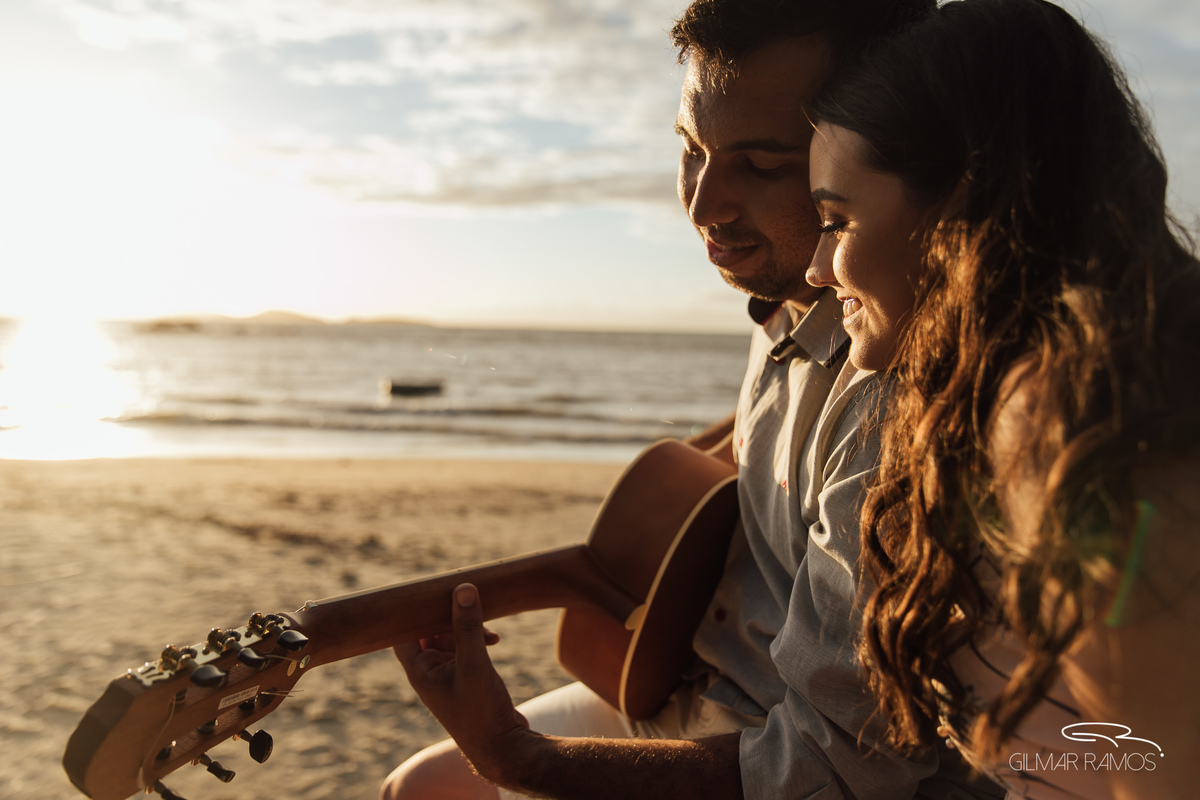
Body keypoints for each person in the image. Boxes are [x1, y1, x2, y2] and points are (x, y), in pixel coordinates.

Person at [381, 1, 1003, 799]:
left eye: (765, 163)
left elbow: (831, 768)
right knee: (421, 788)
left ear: (868, 148)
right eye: (691, 148)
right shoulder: (782, 292)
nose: (706, 204)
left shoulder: (895, 388)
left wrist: (519, 757)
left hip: (774, 748)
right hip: (698, 685)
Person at [802, 0, 1200, 797]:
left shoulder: (1057, 413)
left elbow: (1154, 772)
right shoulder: (1003, 394)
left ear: (958, 205)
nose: (817, 268)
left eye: (837, 220)